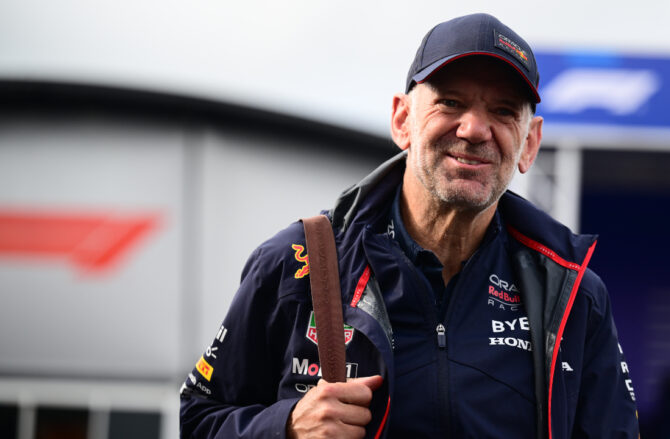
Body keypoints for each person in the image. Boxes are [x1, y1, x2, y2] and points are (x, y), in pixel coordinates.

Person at [179, 13, 639, 439]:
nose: (474, 129)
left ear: (530, 143)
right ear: (402, 120)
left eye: (503, 111)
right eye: (451, 102)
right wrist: (286, 427)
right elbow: (198, 418)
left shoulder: (573, 295)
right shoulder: (296, 265)